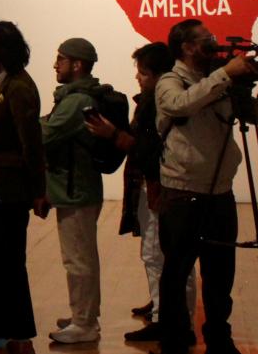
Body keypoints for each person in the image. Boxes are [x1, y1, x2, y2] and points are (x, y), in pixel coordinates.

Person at [155, 19, 258, 354]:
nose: (213, 43)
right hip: (183, 191)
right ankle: (174, 338)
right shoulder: (170, 80)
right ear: (186, 46)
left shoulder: (222, 80)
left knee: (220, 273)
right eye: (205, 39)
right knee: (176, 271)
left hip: (221, 192)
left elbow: (254, 115)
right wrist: (226, 73)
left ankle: (219, 338)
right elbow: (178, 104)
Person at [84, 42, 197, 342]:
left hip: (160, 187)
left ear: (161, 75)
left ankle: (171, 319)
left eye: (143, 73)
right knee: (159, 254)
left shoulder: (161, 104)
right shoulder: (155, 102)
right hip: (154, 186)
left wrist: (114, 135)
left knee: (161, 254)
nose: (138, 78)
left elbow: (148, 149)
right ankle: (167, 312)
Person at [0, 18, 46, 354]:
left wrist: (38, 191)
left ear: (0, 50)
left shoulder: (18, 87)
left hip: (9, 192)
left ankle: (20, 335)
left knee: (9, 265)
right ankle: (2, 332)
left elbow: (31, 144)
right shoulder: (3, 84)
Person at [40, 38, 112, 344]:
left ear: (77, 64)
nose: (56, 64)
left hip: (76, 191)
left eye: (61, 59)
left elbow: (45, 134)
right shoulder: (75, 98)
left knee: (78, 260)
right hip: (77, 189)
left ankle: (84, 323)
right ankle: (84, 316)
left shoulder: (74, 101)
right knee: (82, 258)